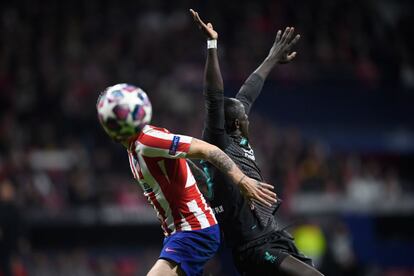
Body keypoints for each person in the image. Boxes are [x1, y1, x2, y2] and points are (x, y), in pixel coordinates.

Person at [190, 9, 324, 276]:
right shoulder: (218, 143)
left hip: (272, 236)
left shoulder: (238, 135)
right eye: (245, 115)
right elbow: (214, 97)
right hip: (253, 246)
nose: (248, 115)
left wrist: (272, 58)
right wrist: (212, 45)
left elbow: (250, 89)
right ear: (238, 123)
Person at [96, 84, 276, 276]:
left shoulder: (147, 141)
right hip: (179, 233)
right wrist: (206, 189)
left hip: (194, 231)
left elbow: (208, 150)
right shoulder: (134, 148)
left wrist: (242, 180)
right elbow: (183, 164)